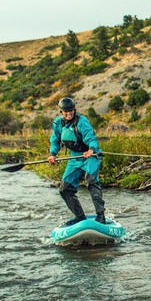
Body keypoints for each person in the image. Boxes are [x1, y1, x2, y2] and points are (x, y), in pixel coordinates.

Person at [47, 96, 107, 224]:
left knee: (91, 181)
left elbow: (90, 137)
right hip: (74, 158)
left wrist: (91, 150)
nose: (68, 114)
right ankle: (79, 216)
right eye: (65, 111)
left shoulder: (82, 121)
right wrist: (52, 154)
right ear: (61, 112)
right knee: (64, 189)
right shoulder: (58, 123)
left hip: (90, 156)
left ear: (74, 110)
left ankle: (101, 216)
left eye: (71, 111)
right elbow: (55, 140)